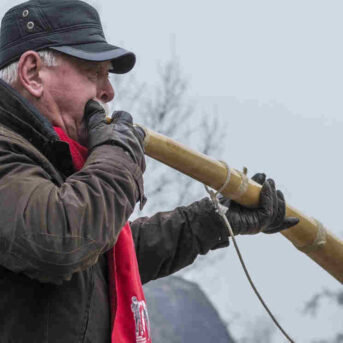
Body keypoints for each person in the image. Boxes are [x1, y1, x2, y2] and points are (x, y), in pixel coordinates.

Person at [0, 1, 299, 342]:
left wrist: (212, 220)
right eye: (92, 72)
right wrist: (119, 152)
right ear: (33, 73)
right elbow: (62, 238)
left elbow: (104, 260)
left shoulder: (55, 159)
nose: (108, 91)